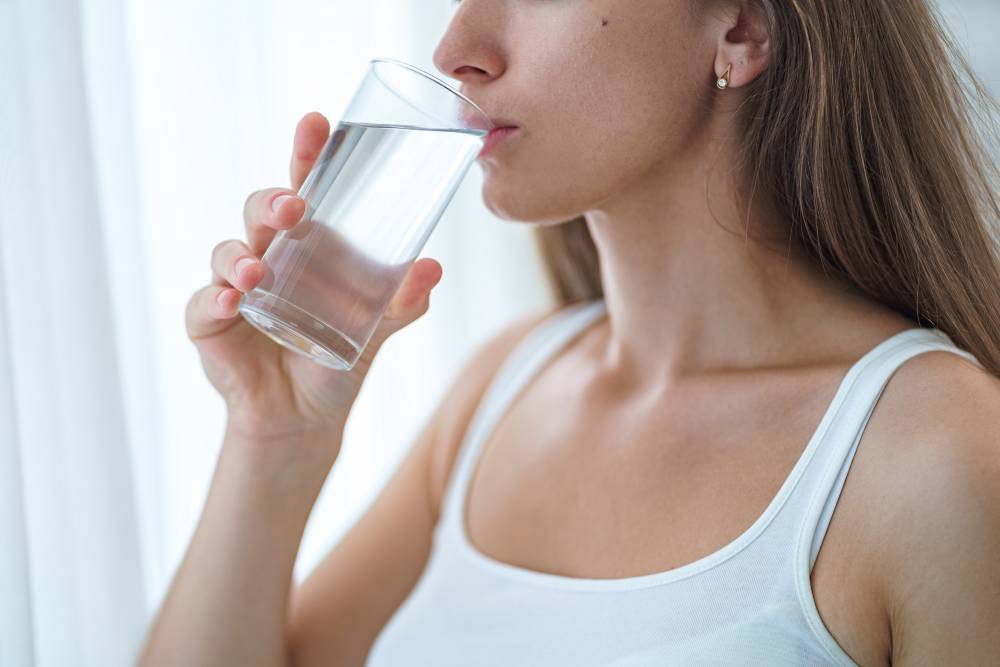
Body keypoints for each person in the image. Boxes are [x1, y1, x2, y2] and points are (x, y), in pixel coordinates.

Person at [137, 0, 1000, 665]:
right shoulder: (502, 388)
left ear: (740, 28)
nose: (456, 47)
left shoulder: (939, 458)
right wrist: (272, 438)